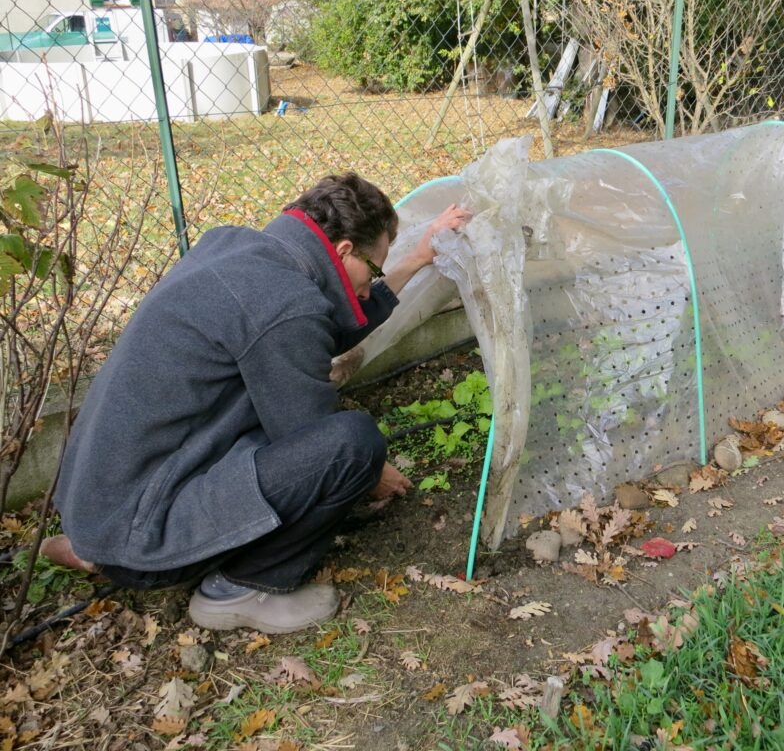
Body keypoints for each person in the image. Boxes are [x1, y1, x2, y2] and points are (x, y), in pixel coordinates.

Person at [42, 174, 471, 634]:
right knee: (355, 443)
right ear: (343, 251)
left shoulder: (237, 250)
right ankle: (244, 588)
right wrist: (372, 471)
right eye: (375, 267)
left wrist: (416, 259)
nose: (372, 284)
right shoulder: (285, 304)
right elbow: (309, 432)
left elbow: (319, 327)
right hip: (144, 532)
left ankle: (93, 548)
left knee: (286, 421)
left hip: (101, 500)